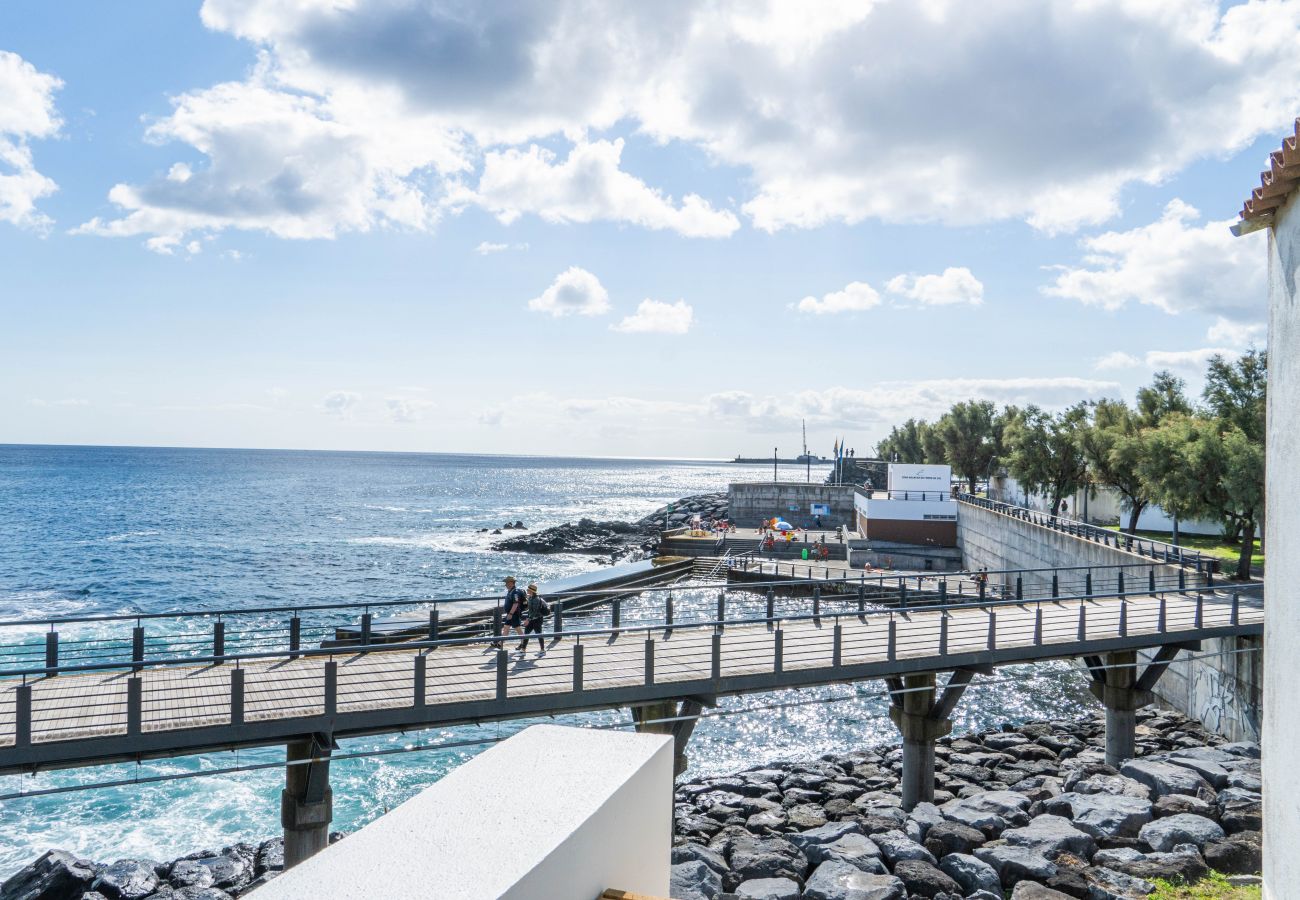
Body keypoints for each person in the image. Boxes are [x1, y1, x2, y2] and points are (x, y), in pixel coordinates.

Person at [518, 583, 549, 653]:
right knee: (526, 633)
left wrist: (528, 619)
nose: (527, 591)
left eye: (528, 590)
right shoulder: (530, 598)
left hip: (537, 619)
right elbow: (530, 610)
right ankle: (523, 649)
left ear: (532, 591)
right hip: (531, 619)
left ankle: (542, 650)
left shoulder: (536, 599)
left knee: (539, 634)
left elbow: (535, 611)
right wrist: (528, 618)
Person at [498, 576, 526, 649]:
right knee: (506, 627)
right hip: (510, 614)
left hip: (514, 614)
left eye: (507, 583)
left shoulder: (515, 592)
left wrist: (510, 614)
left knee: (518, 629)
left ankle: (523, 644)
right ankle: (500, 643)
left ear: (511, 583)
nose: (505, 584)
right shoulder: (510, 591)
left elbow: (516, 603)